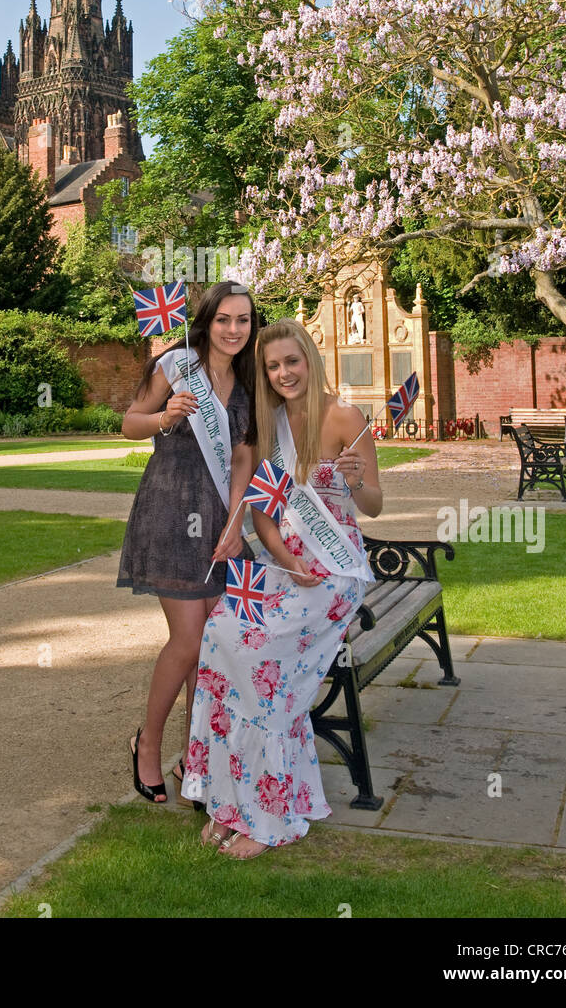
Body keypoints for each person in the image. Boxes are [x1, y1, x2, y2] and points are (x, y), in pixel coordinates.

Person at [182, 317, 383, 856]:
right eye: (272, 366)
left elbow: (373, 506)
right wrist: (284, 556)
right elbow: (264, 512)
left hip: (335, 571)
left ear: (310, 359)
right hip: (288, 562)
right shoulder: (268, 424)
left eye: (291, 361)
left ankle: (266, 815)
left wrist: (356, 478)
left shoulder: (343, 417)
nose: (283, 372)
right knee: (222, 633)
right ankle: (227, 801)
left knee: (261, 655)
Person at [118, 281, 258, 804]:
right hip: (172, 511)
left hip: (221, 519)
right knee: (190, 640)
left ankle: (194, 762)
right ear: (206, 321)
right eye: (224, 319)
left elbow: (243, 456)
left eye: (243, 320)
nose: (233, 330)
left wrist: (238, 519)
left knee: (213, 648)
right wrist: (163, 417)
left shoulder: (248, 381)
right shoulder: (175, 365)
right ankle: (147, 746)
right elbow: (129, 424)